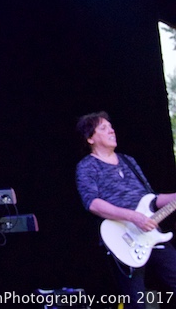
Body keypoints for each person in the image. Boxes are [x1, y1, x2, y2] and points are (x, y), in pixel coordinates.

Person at [75, 111, 176, 307]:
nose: (111, 130)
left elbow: (151, 199)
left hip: (150, 233)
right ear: (90, 138)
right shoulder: (87, 166)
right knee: (136, 301)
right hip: (123, 238)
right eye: (103, 128)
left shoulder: (128, 161)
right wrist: (132, 216)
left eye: (110, 126)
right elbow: (92, 203)